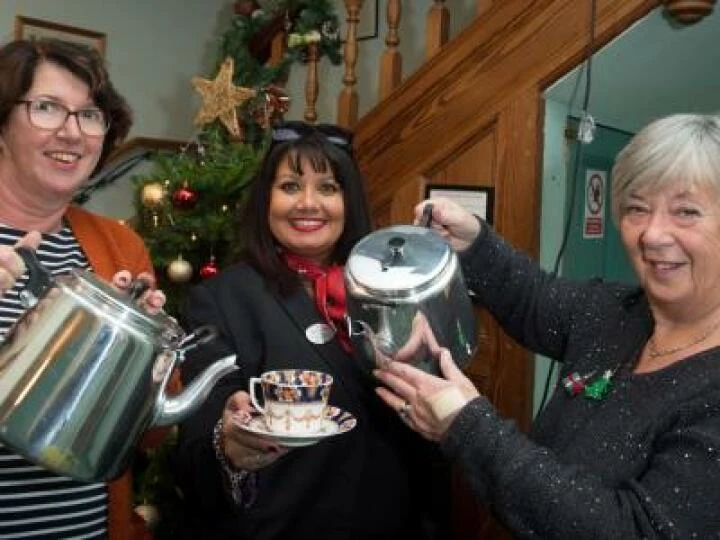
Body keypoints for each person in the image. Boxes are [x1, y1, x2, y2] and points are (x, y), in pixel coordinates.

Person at [374, 113, 720, 538]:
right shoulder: (618, 310)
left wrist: (465, 424)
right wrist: (473, 242)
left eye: (686, 211)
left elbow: (635, 530)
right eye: (637, 208)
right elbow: (534, 297)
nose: (652, 233)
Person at [173, 120, 451, 539]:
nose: (308, 203)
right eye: (289, 187)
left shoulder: (389, 288)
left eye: (327, 187)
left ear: (348, 201)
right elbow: (201, 435)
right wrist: (229, 443)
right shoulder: (220, 300)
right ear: (266, 199)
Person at [0, 38, 166, 539]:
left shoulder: (119, 247)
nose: (72, 132)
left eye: (91, 115)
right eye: (47, 107)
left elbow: (151, 431)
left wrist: (141, 357)